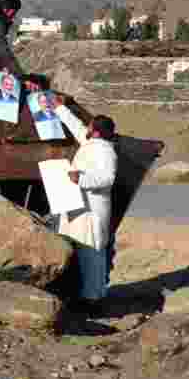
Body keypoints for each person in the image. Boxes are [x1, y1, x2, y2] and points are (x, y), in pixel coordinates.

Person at [53, 102, 118, 310]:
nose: (86, 129)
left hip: (94, 210)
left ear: (96, 131)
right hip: (79, 206)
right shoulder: (90, 143)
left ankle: (94, 298)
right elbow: (76, 126)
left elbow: (107, 179)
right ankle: (83, 294)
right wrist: (59, 108)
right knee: (80, 251)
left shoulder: (107, 152)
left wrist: (80, 178)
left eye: (89, 126)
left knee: (93, 253)